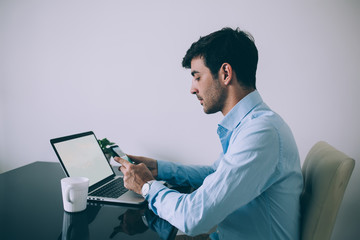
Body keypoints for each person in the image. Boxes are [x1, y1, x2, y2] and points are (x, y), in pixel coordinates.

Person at [115, 27, 303, 240]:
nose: (192, 89)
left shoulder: (261, 134)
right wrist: (160, 169)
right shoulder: (253, 125)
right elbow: (216, 173)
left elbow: (193, 218)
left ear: (225, 73)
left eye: (197, 77)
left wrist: (146, 187)